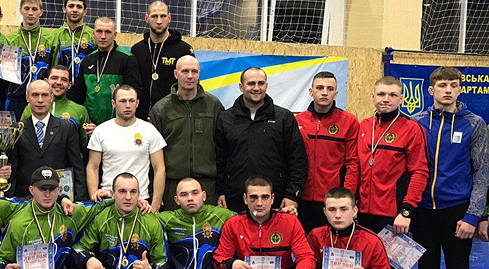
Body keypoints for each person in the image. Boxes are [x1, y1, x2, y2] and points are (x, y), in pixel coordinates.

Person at [407, 67, 489, 269]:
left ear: (459, 90)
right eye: (442, 86)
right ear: (431, 90)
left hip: (457, 212)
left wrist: (473, 216)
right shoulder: (417, 123)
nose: (448, 90)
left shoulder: (474, 123)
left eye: (454, 85)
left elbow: (482, 172)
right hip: (423, 210)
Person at [356, 76, 429, 269]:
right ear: (373, 97)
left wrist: (406, 210)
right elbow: (356, 167)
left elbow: (419, 172)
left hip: (394, 216)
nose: (386, 99)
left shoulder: (411, 129)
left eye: (392, 95)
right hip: (363, 214)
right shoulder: (364, 126)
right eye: (381, 94)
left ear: (401, 99)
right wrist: (352, 206)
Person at [215, 67, 307, 213]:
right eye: (251, 83)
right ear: (241, 87)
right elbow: (219, 160)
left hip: (275, 200)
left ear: (266, 86)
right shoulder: (225, 119)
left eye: (261, 83)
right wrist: (220, 192)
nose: (256, 88)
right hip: (235, 200)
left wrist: (292, 195)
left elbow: (297, 160)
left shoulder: (284, 118)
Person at [149, 55, 223, 209]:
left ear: (199, 74)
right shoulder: (161, 109)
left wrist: (222, 189)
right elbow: (152, 153)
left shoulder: (214, 105)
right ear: (176, 74)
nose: (190, 76)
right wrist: (154, 191)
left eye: (194, 71)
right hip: (172, 187)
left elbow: (223, 148)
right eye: (185, 71)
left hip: (207, 186)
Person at [296, 71, 360, 234]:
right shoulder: (298, 121)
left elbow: (353, 163)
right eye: (320, 88)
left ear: (336, 93)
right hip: (301, 200)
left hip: (333, 202)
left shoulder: (349, 121)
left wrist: (346, 197)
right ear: (311, 92)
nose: (324, 92)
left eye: (330, 89)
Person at [87, 85, 166, 212]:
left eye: (131, 101)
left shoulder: (149, 130)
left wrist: (155, 206)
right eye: (123, 101)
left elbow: (159, 168)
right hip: (108, 198)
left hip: (141, 201)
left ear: (137, 103)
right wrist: (94, 197)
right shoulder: (101, 130)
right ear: (113, 104)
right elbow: (92, 167)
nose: (128, 105)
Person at [12, 80, 86, 199]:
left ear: (51, 97)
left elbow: (77, 166)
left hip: (58, 197)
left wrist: (80, 199)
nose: (40, 100)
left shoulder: (66, 128)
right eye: (35, 95)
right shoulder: (16, 129)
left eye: (45, 95)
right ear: (27, 98)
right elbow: (13, 167)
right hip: (24, 197)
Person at [67, 17, 142, 125]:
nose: (103, 36)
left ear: (115, 35)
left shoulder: (127, 59)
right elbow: (79, 93)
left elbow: (136, 92)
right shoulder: (87, 60)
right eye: (99, 31)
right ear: (93, 33)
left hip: (117, 125)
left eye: (107, 32)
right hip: (90, 126)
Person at [131, 0, 195, 120]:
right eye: (154, 16)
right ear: (146, 18)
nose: (159, 21)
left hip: (173, 118)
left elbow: (192, 86)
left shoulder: (183, 50)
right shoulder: (137, 50)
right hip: (141, 118)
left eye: (163, 16)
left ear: (169, 18)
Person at [5, 0, 56, 120]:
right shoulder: (10, 39)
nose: (30, 13)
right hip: (16, 98)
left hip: (41, 99)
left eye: (34, 9)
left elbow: (54, 68)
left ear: (41, 12)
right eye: (26, 8)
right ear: (20, 10)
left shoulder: (50, 38)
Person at [21, 65, 91, 156]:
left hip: (65, 163)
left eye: (64, 80)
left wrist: (91, 137)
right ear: (46, 81)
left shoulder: (80, 110)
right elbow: (21, 141)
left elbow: (83, 148)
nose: (58, 82)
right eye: (54, 78)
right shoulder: (31, 108)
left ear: (69, 85)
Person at [52, 0, 95, 85]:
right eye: (71, 6)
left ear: (85, 11)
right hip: (61, 87)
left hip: (87, 88)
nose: (75, 10)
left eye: (79, 7)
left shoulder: (93, 35)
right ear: (64, 9)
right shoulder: (55, 36)